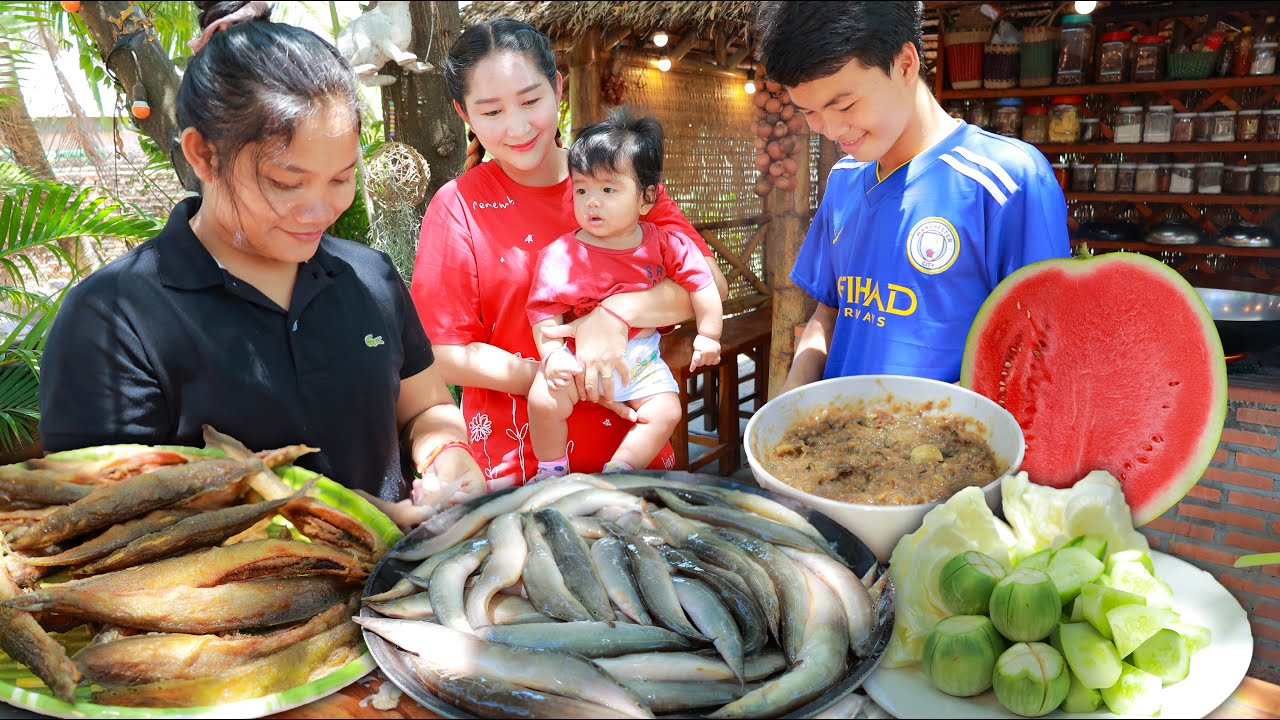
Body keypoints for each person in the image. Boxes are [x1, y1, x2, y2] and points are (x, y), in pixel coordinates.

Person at [38, 0, 483, 529]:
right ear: (203, 155)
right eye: (287, 183)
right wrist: (356, 524)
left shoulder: (369, 277)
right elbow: (109, 523)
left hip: (407, 598)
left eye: (341, 178)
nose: (321, 211)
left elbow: (425, 408)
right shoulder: (112, 321)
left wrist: (446, 457)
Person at [410, 18, 729, 490]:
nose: (517, 127)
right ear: (463, 113)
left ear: (558, 87)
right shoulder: (456, 206)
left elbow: (709, 284)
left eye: (531, 100)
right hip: (518, 468)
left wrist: (616, 314)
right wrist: (559, 375)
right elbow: (441, 352)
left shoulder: (615, 177)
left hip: (633, 459)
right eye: (491, 111)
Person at [755, 1, 1070, 392]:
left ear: (904, 64)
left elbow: (1042, 352)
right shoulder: (844, 181)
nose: (831, 129)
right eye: (808, 112)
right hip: (835, 442)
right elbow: (830, 312)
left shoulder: (1008, 180)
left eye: (845, 105)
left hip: (950, 446)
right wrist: (792, 396)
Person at [525, 109, 723, 482]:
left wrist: (709, 334)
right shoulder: (560, 254)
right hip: (578, 357)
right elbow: (544, 312)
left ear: (647, 198)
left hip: (642, 359)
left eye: (608, 189)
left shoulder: (664, 243)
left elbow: (703, 283)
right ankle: (550, 469)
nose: (592, 201)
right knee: (543, 399)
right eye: (581, 189)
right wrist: (551, 357)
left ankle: (621, 470)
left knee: (666, 412)